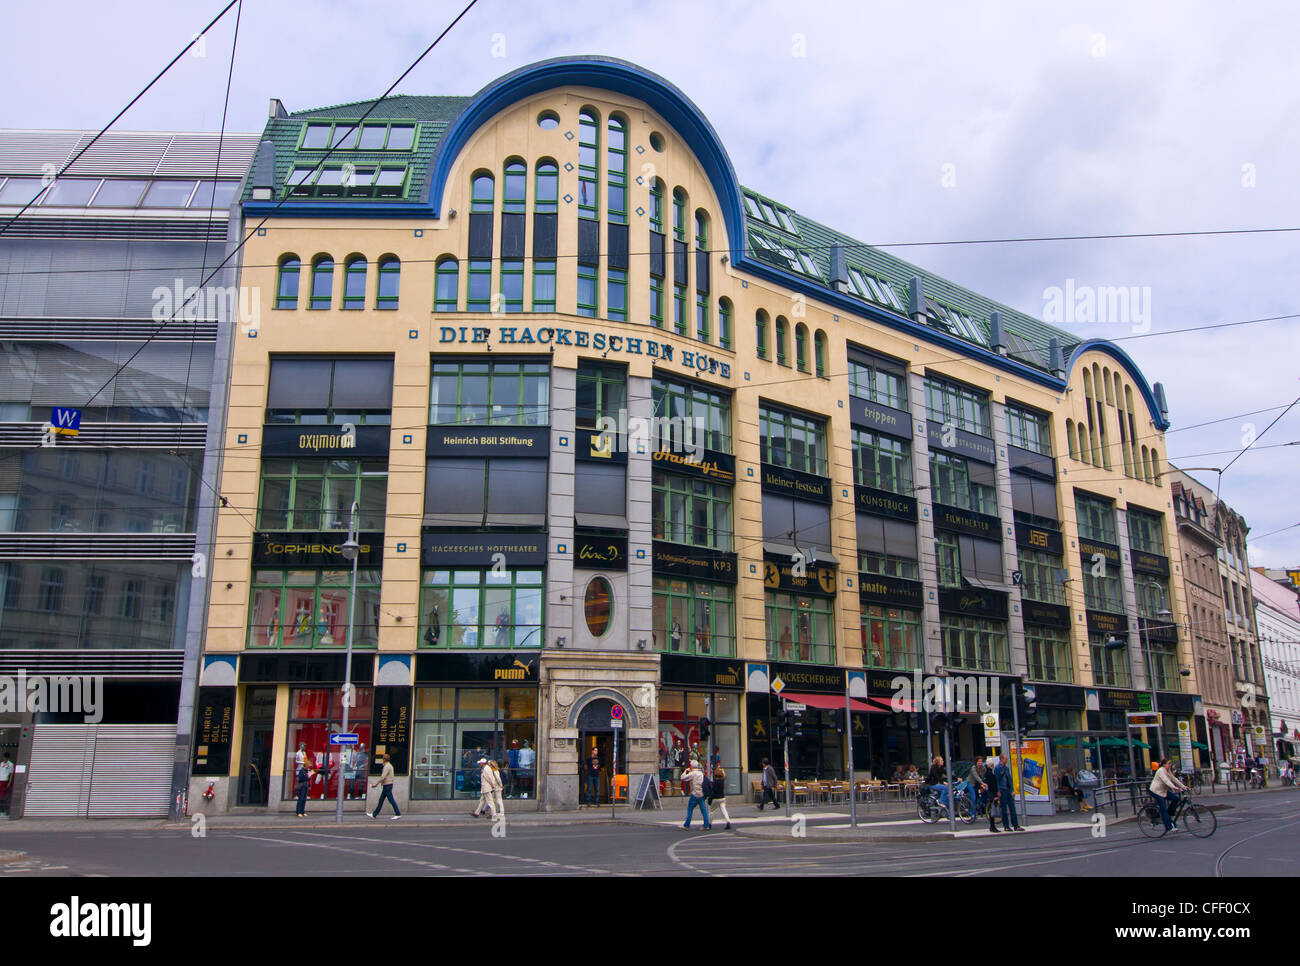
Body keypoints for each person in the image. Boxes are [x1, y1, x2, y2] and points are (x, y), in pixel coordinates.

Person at [1149, 756, 1187, 832]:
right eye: (1169, 764)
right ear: (1164, 764)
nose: (1170, 765)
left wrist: (1183, 787)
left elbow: (1173, 779)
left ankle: (1169, 815)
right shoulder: (1161, 771)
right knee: (1163, 807)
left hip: (1163, 791)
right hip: (1156, 791)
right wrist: (1174, 787)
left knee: (1175, 799)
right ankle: (1169, 827)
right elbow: (1166, 781)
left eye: (1170, 763)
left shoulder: (1167, 770)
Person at [993, 752, 1023, 831]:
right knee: (1004, 809)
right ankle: (1006, 826)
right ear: (1002, 759)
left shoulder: (1006, 768)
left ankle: (1015, 825)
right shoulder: (997, 768)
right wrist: (998, 791)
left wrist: (1012, 790)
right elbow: (997, 780)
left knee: (1012, 808)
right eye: (1006, 759)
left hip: (1008, 789)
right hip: (1002, 790)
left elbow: (1009, 779)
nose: (1007, 760)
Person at [367, 753, 401, 820]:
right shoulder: (389, 766)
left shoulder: (387, 767)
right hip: (387, 785)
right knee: (381, 800)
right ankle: (374, 814)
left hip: (387, 785)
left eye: (383, 759)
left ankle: (398, 813)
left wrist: (376, 784)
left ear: (385, 759)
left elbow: (383, 777)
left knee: (391, 800)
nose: (382, 760)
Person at [681, 759, 711, 830]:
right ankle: (706, 825)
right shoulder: (701, 773)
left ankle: (686, 825)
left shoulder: (693, 773)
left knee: (690, 809)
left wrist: (685, 771)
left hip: (695, 794)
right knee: (704, 810)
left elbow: (683, 778)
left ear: (691, 766)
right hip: (701, 794)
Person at [708, 759, 732, 830]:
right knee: (724, 810)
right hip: (722, 798)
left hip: (716, 798)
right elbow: (724, 775)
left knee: (712, 811)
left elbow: (713, 791)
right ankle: (728, 822)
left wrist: (710, 798)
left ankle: (709, 824)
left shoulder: (715, 782)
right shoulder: (722, 780)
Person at [981, 757, 1002, 832]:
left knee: (992, 809)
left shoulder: (987, 773)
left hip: (990, 793)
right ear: (991, 765)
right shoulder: (990, 774)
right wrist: (995, 795)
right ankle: (992, 826)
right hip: (992, 793)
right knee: (993, 810)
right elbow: (993, 785)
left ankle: (992, 826)